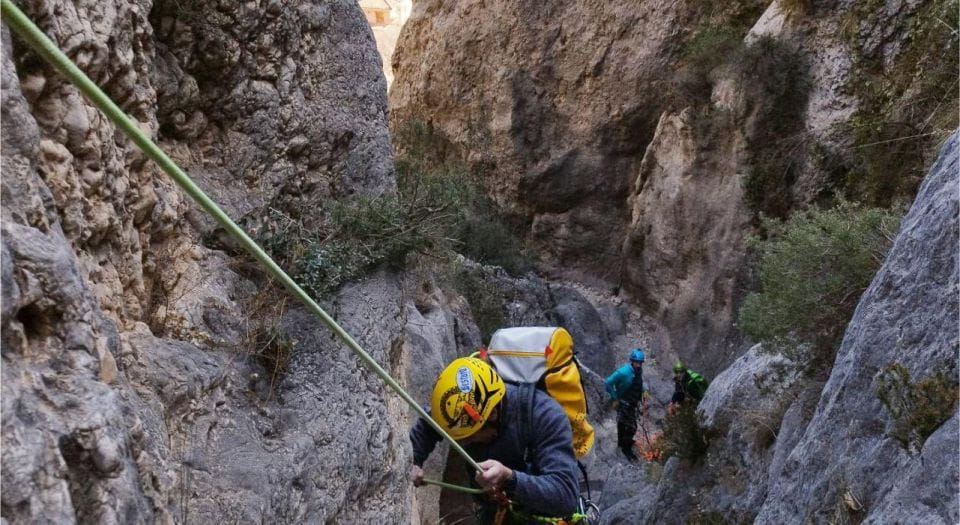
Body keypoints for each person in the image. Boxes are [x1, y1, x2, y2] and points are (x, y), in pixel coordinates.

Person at [409, 357, 580, 523]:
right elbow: (430, 424)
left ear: (492, 414)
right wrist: (414, 461)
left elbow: (566, 497)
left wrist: (509, 478)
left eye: (470, 437)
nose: (464, 443)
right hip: (496, 510)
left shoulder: (545, 416)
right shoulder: (458, 412)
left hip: (543, 516)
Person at [604, 348, 647, 462]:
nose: (639, 365)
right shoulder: (623, 372)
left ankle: (621, 442)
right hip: (624, 402)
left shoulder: (638, 371)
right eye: (637, 362)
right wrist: (615, 398)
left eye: (640, 362)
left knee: (623, 423)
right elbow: (608, 383)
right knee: (632, 427)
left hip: (632, 402)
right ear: (632, 361)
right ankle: (626, 449)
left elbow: (638, 382)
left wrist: (644, 390)